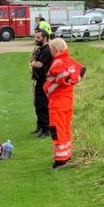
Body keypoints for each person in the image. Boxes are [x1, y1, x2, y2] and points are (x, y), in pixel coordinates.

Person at [43, 38, 85, 169]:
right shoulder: (71, 61)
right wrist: (70, 80)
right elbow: (82, 70)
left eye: (51, 49)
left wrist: (60, 81)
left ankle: (60, 160)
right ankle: (67, 155)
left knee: (57, 130)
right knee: (65, 129)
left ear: (55, 49)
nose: (50, 51)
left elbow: (61, 76)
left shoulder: (58, 63)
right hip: (67, 101)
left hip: (57, 102)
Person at [30, 29, 53, 138]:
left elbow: (39, 64)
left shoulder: (47, 50)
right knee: (37, 104)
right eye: (35, 37)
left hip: (44, 80)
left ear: (44, 38)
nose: (36, 39)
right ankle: (40, 126)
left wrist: (33, 63)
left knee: (43, 105)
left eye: (38, 37)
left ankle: (46, 129)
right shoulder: (40, 49)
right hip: (38, 80)